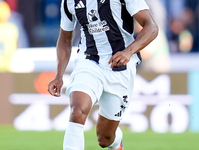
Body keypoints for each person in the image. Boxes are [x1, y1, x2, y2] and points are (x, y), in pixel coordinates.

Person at [48, 0, 158, 149]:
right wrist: (59, 74)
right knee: (77, 111)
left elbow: (151, 27)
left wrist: (129, 51)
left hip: (120, 66)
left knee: (105, 138)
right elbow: (65, 37)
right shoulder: (69, 2)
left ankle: (116, 142)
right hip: (89, 61)